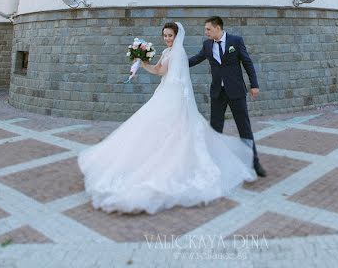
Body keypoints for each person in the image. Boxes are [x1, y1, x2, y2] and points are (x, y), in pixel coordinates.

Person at [76, 22, 256, 214]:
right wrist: (142, 62)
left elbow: (162, 72)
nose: (167, 39)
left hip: (174, 96)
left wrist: (142, 62)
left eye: (170, 35)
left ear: (177, 36)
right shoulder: (167, 52)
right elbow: (157, 70)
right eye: (165, 35)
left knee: (170, 130)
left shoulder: (177, 53)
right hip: (164, 92)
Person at [188, 16, 267, 177]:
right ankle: (214, 163)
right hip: (218, 93)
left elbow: (247, 62)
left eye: (208, 29)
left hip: (236, 91)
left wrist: (254, 84)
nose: (206, 32)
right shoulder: (207, 45)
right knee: (215, 128)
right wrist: (176, 62)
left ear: (218, 28)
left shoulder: (236, 41)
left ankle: (254, 162)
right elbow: (196, 59)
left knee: (244, 127)